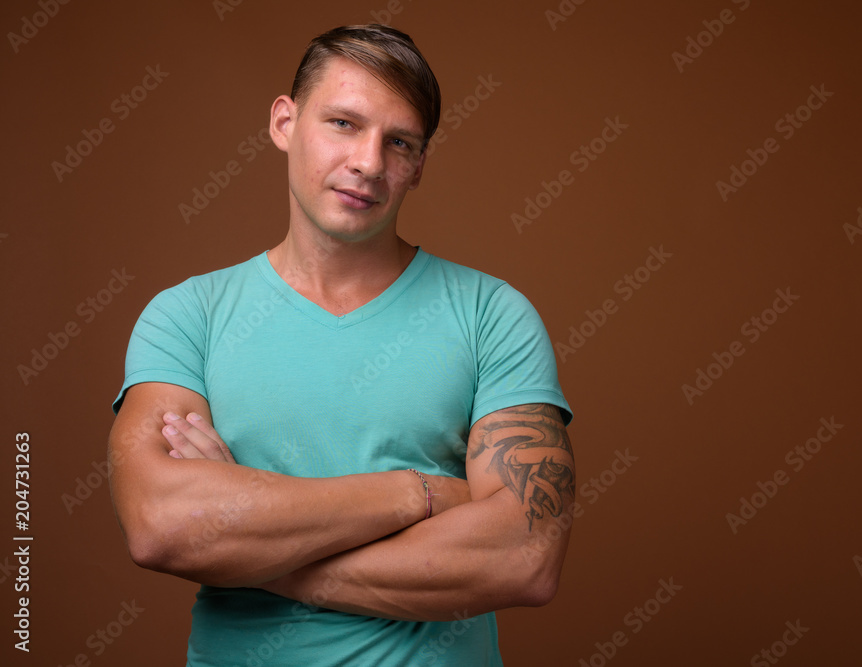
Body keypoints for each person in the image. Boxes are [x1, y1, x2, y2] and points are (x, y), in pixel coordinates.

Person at [107, 24, 575, 666]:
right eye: (343, 124)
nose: (368, 163)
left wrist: (253, 553)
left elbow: (526, 557)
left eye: (399, 141)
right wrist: (420, 492)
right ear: (284, 123)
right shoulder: (188, 317)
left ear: (419, 166)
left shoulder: (492, 316)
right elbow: (162, 525)